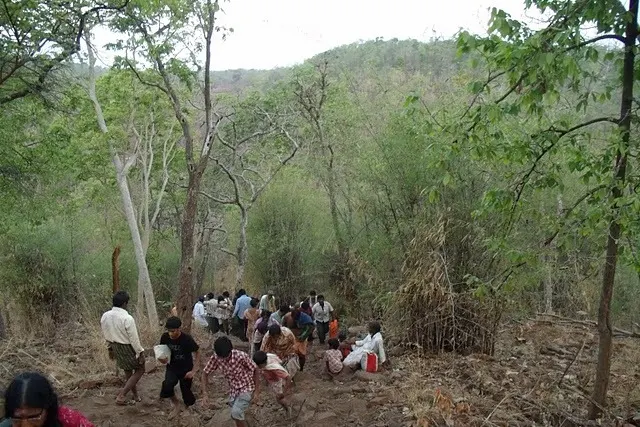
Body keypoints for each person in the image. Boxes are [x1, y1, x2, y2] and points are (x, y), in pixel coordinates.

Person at [201, 337, 260, 427]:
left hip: (247, 386)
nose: (223, 360)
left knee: (235, 413)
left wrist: (256, 392)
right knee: (236, 415)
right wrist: (205, 394)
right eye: (221, 358)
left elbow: (255, 369)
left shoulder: (241, 356)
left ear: (230, 351)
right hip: (233, 390)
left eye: (226, 357)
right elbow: (205, 373)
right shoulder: (216, 357)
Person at [100, 291, 145, 405]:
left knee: (128, 371)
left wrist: (110, 348)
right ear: (125, 303)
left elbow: (105, 332)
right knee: (140, 369)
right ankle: (122, 395)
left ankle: (135, 395)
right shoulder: (127, 318)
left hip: (115, 345)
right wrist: (140, 352)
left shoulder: (105, 315)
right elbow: (134, 339)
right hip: (127, 346)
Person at [0, 372, 93, 427]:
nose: (26, 425)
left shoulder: (69, 421)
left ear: (47, 408)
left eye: (33, 417)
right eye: (18, 418)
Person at [158, 317, 201, 419]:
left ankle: (187, 408)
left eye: (172, 331)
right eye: (168, 331)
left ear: (179, 329)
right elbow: (161, 351)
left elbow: (198, 351)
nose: (170, 333)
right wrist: (162, 359)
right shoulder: (165, 337)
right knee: (167, 385)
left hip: (186, 367)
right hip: (172, 366)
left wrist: (194, 370)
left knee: (186, 389)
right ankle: (176, 404)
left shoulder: (187, 339)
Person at [252, 351, 292, 416]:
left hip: (277, 382)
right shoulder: (267, 357)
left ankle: (287, 408)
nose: (257, 366)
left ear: (263, 363)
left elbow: (288, 378)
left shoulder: (274, 368)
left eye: (258, 365)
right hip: (272, 379)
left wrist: (283, 393)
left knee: (279, 399)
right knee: (278, 397)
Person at [284, 304, 314, 372]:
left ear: (298, 316)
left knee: (301, 355)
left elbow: (310, 328)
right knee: (290, 354)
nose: (294, 319)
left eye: (295, 318)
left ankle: (301, 369)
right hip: (292, 337)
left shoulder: (307, 319)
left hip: (302, 338)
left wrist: (302, 337)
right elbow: (283, 326)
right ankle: (290, 368)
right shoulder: (288, 317)